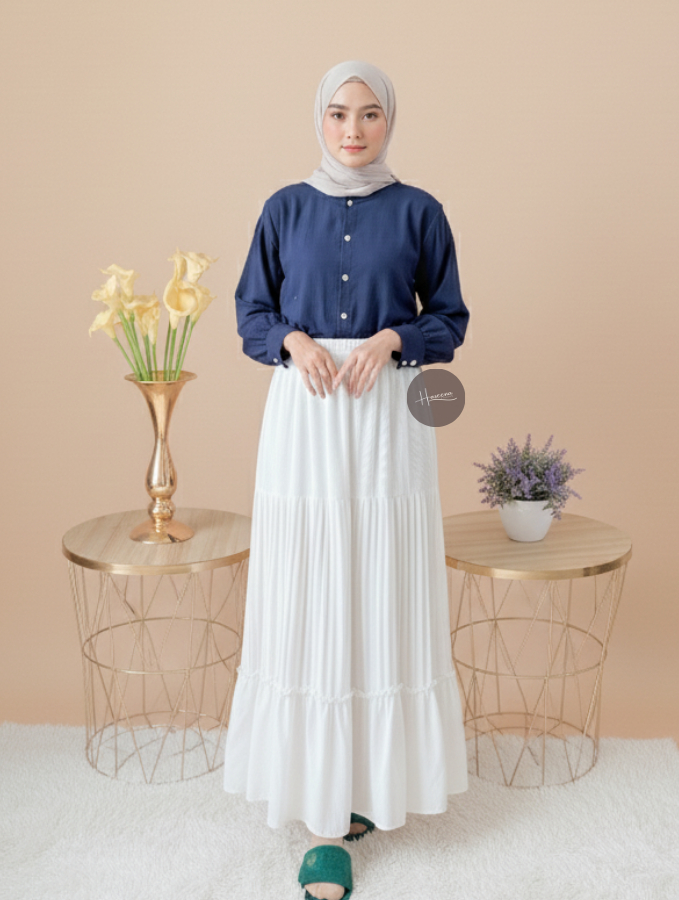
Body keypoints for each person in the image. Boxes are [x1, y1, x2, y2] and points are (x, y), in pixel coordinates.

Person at [223, 60, 470, 900]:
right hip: (305, 417)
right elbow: (252, 312)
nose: (352, 130)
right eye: (337, 114)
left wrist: (396, 339)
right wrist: (292, 342)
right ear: (319, 121)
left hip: (389, 417)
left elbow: (451, 319)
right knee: (312, 583)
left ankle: (367, 780)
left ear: (388, 122)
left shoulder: (421, 210)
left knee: (380, 584)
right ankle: (324, 826)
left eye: (368, 114)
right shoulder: (283, 209)